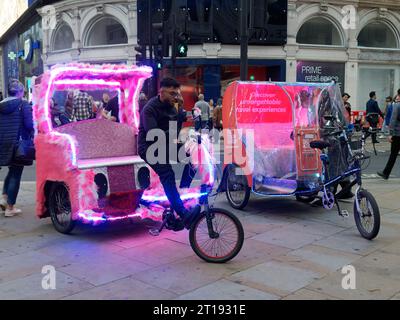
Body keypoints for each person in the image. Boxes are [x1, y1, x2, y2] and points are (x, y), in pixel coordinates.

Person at [138, 78, 200, 229]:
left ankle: (183, 190)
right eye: (172, 93)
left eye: (177, 93)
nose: (175, 96)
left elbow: (180, 117)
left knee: (195, 157)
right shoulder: (149, 109)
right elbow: (154, 134)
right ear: (161, 91)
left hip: (168, 143)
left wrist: (191, 113)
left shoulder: (174, 104)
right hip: (150, 147)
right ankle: (183, 214)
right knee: (168, 175)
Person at [0, 79, 34, 217]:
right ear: (19, 92)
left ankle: (4, 197)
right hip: (18, 144)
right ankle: (10, 207)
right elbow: (29, 125)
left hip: (4, 143)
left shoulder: (1, 105)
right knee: (16, 173)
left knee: (11, 170)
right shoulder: (23, 104)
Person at [377, 93, 400, 180]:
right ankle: (386, 173)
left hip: (397, 134)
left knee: (393, 154)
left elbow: (393, 120)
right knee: (393, 155)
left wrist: (391, 133)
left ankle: (386, 173)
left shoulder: (397, 106)